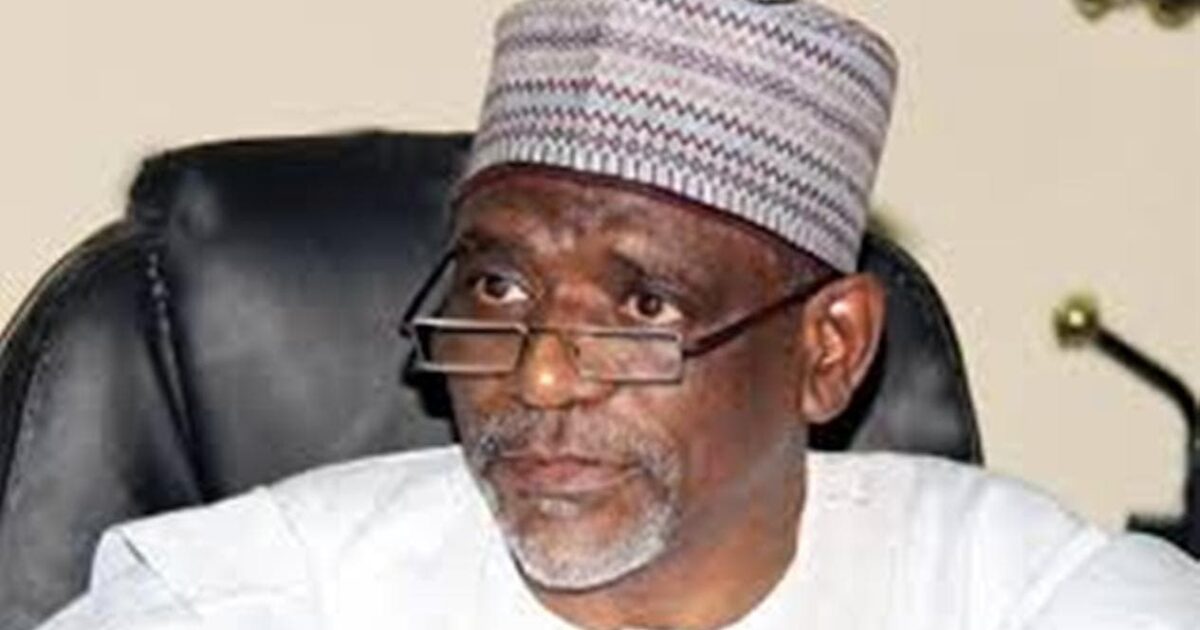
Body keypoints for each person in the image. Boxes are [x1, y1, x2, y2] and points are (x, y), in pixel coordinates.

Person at [37, 0, 1200, 628]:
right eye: (498, 288)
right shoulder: (256, 597)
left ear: (828, 349)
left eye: (644, 304)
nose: (540, 378)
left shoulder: (1015, 593)